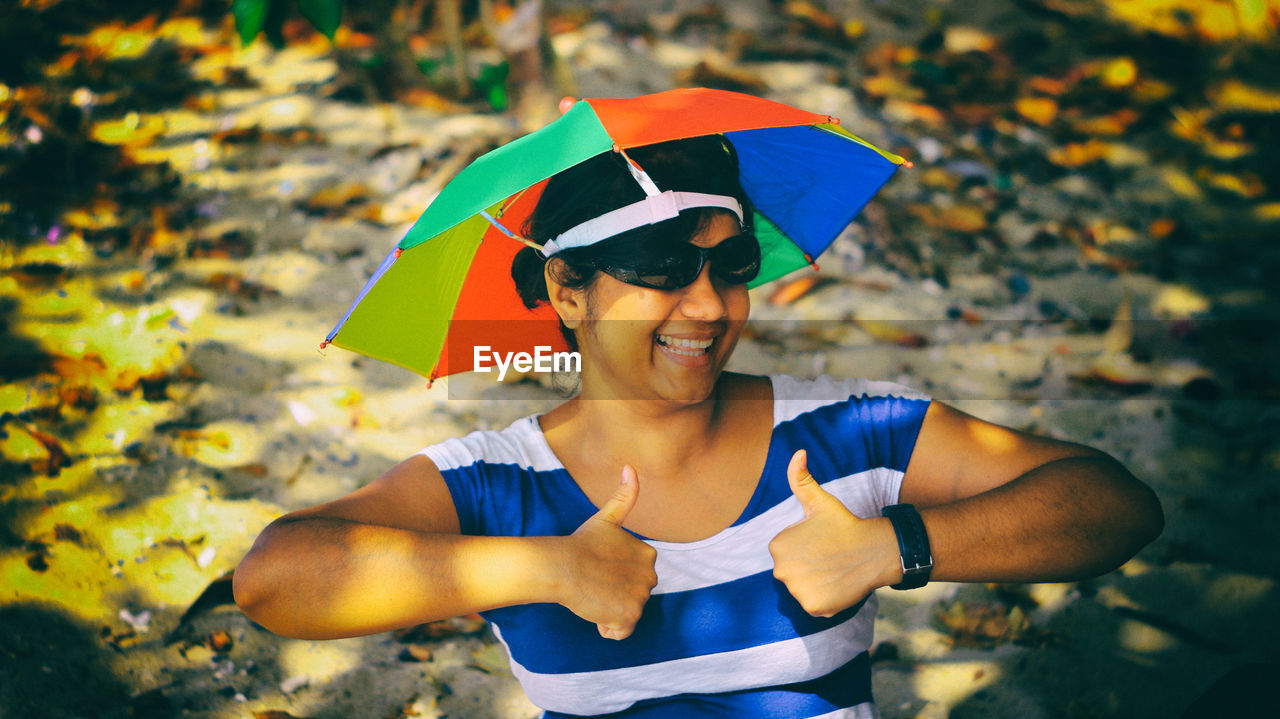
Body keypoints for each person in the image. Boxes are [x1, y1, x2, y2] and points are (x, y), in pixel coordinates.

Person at [233, 135, 1164, 718]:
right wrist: (544, 566)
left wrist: (896, 545)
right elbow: (276, 578)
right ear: (567, 291)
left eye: (731, 267)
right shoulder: (496, 485)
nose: (710, 305)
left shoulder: (848, 431)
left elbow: (1116, 504)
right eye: (663, 268)